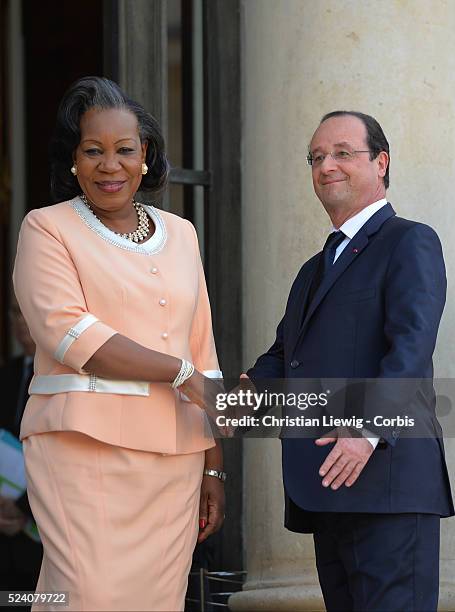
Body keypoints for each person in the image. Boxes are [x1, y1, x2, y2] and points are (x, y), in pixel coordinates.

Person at [13, 76, 225, 612]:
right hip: (83, 447)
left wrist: (214, 466)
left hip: (175, 458)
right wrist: (179, 374)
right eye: (94, 151)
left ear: (146, 156)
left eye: (125, 150)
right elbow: (69, 332)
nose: (111, 165)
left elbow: (204, 355)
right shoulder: (47, 228)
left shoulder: (182, 234)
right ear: (73, 161)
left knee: (159, 601)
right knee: (87, 594)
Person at [247, 111, 454, 611]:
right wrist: (240, 393)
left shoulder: (410, 240)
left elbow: (410, 348)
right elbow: (285, 358)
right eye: (316, 157)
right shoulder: (313, 269)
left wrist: (365, 431)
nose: (325, 166)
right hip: (327, 487)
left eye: (342, 153)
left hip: (386, 482)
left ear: (381, 163)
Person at [0, 299, 42, 609]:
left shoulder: (61, 379)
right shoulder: (7, 374)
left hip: (41, 526)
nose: (20, 320)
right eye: (15, 312)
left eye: (25, 311)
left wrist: (21, 508)